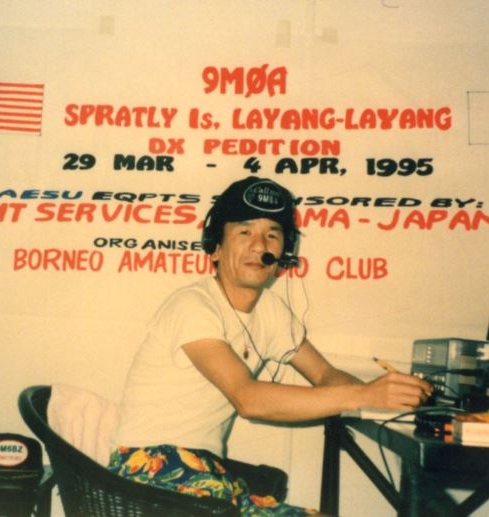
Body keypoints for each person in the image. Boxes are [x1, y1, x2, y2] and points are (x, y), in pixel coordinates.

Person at [109, 176, 431, 516]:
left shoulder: (271, 310)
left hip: (202, 475)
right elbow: (248, 398)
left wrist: (390, 396)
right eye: (244, 232)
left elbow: (324, 375)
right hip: (148, 475)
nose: (259, 245)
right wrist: (362, 395)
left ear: (283, 253)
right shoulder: (192, 305)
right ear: (215, 247)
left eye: (272, 235)